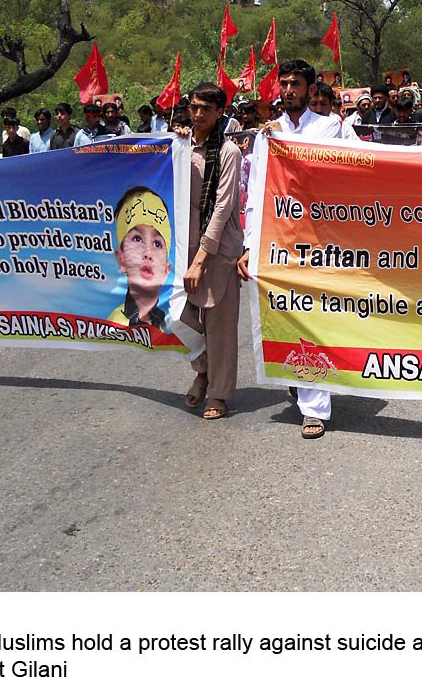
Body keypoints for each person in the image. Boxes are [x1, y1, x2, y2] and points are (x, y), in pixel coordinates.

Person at [239, 58, 341, 439]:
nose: (288, 91)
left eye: (295, 84)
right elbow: (258, 191)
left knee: (313, 315)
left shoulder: (329, 127)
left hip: (317, 238)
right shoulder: (268, 134)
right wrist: (250, 244)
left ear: (310, 89)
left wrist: (280, 140)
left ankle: (315, 407)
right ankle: (300, 376)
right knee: (281, 312)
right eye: (283, 84)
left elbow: (319, 172)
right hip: (276, 236)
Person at [178, 83, 243, 420]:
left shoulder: (229, 152)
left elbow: (222, 207)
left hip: (219, 250)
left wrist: (202, 258)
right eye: (193, 107)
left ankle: (217, 392)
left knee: (220, 325)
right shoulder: (178, 147)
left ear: (220, 113)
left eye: (206, 108)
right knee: (178, 317)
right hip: (181, 247)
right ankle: (203, 370)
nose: (198, 114)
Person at [108, 186, 172, 331]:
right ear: (121, 259)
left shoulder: (174, 321)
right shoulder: (114, 324)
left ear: (166, 269)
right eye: (137, 239)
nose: (147, 253)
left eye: (157, 243)